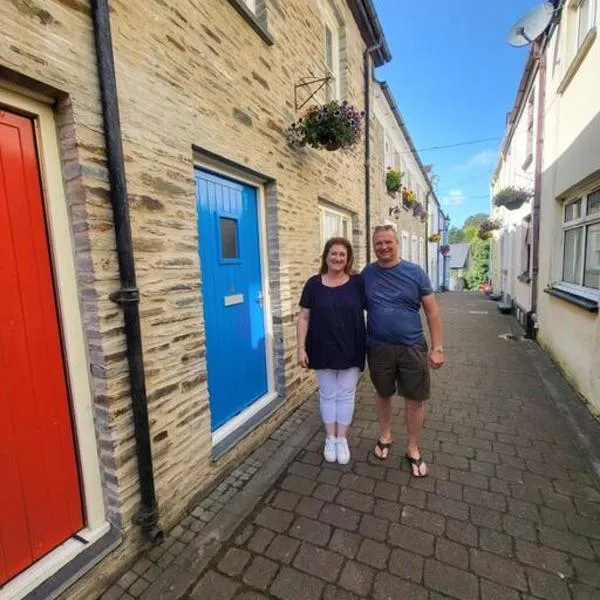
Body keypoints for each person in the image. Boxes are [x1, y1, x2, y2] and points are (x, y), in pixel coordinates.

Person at [362, 225, 444, 477]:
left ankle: (412, 447)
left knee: (414, 397)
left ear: (397, 243)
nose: (383, 247)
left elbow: (432, 311)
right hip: (378, 347)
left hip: (411, 347)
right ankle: (385, 435)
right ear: (373, 246)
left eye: (388, 242)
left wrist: (437, 347)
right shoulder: (367, 274)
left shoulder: (415, 272)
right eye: (378, 243)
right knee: (383, 392)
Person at [297, 237, 366, 464]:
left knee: (346, 395)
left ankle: (342, 439)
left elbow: (376, 308)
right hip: (321, 346)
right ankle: (330, 437)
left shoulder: (358, 283)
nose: (337, 258)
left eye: (342, 255)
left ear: (348, 259)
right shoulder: (313, 284)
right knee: (328, 394)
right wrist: (300, 348)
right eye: (333, 253)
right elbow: (304, 317)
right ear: (326, 256)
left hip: (352, 346)